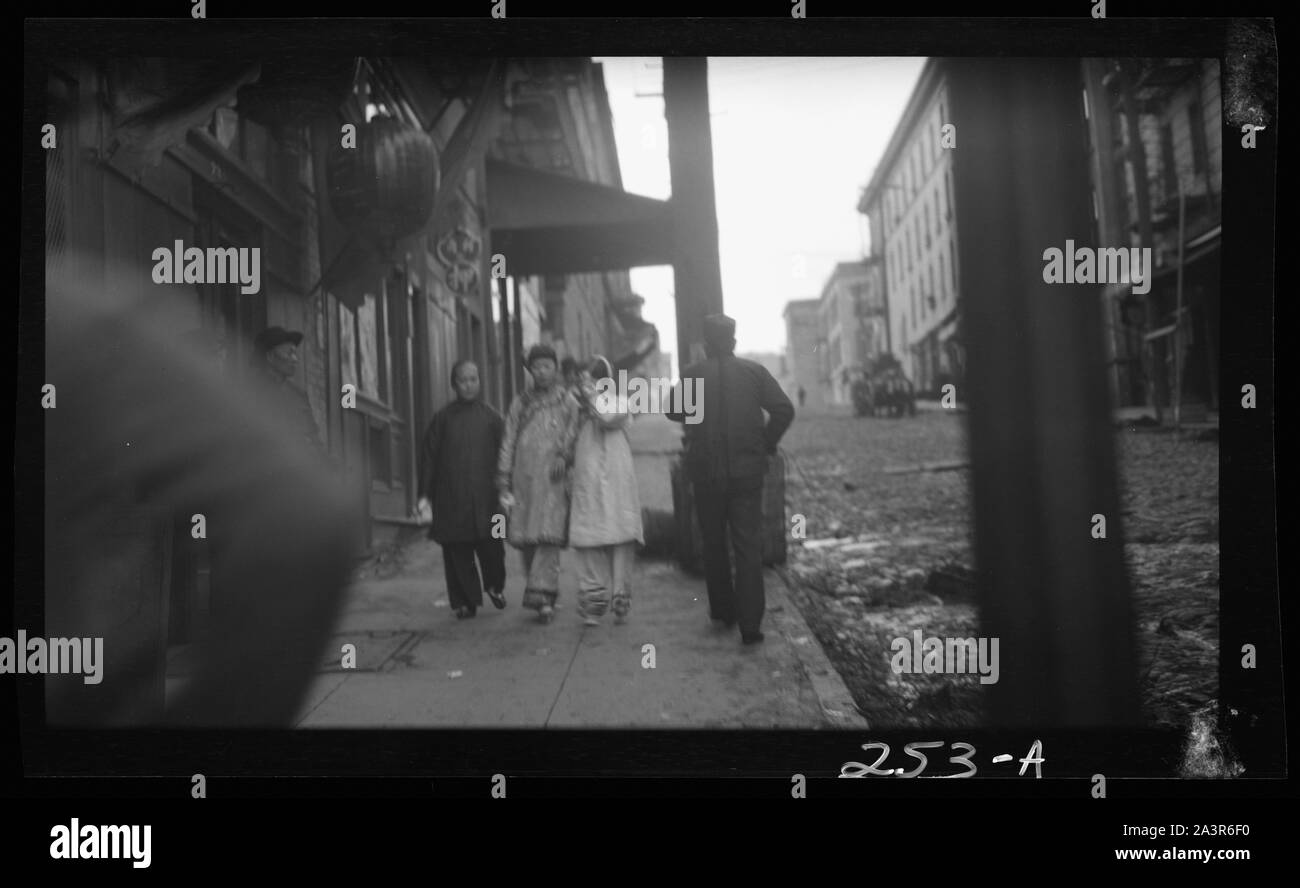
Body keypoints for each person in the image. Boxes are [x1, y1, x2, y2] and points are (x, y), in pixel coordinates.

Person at [667, 314, 795, 645]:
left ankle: (724, 611)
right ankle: (751, 626)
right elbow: (784, 410)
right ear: (734, 342)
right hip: (747, 472)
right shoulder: (754, 372)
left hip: (705, 473)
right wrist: (766, 443)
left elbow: (673, 410)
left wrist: (697, 412)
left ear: (706, 345)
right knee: (748, 546)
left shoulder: (693, 374)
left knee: (713, 543)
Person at [416, 360, 507, 619]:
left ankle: (494, 585)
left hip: (487, 498)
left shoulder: (492, 418)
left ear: (480, 381)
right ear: (453, 384)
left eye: (473, 379)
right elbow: (429, 459)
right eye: (463, 380)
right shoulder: (442, 420)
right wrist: (425, 495)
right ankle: (466, 602)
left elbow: (505, 455)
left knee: (493, 550)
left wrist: (507, 489)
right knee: (457, 552)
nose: (469, 385)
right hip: (451, 497)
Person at [497, 344, 581, 623]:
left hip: (552, 477)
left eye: (547, 366)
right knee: (526, 537)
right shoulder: (520, 402)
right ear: (529, 370)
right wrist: (504, 475)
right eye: (536, 367)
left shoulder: (567, 401)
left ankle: (544, 596)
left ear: (556, 369)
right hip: (524, 477)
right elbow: (508, 437)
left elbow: (574, 431)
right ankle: (540, 591)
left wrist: (564, 456)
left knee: (549, 535)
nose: (542, 371)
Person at [568, 355, 644, 626]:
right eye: (581, 380)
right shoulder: (576, 407)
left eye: (589, 379)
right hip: (587, 479)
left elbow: (607, 416)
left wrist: (589, 396)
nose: (583, 385)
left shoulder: (619, 402)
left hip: (616, 478)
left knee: (620, 538)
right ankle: (593, 606)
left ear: (604, 380)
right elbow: (567, 437)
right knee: (588, 539)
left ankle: (620, 600)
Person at [253, 325, 327, 458]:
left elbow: (312, 437)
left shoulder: (298, 395)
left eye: (295, 353)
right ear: (270, 356)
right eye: (289, 353)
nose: (295, 359)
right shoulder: (251, 391)